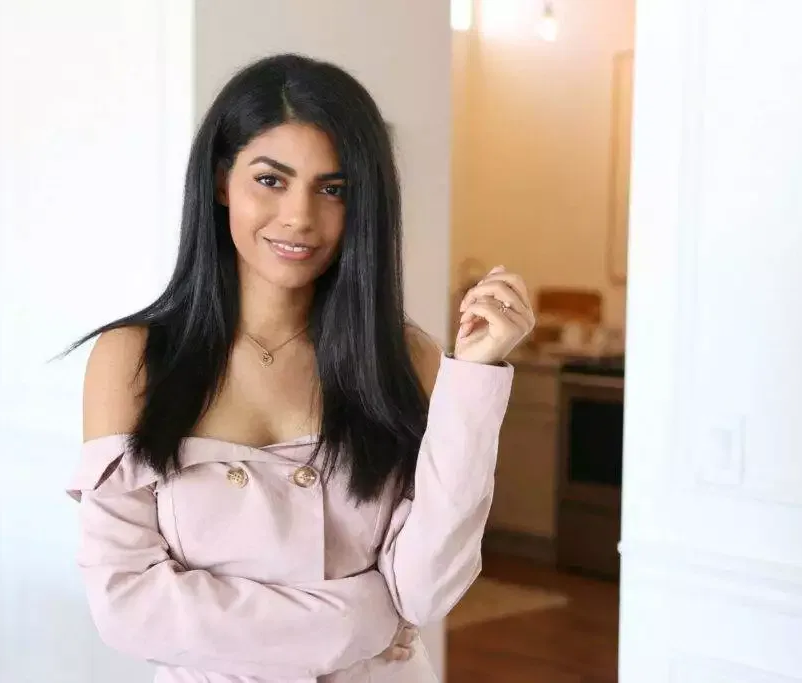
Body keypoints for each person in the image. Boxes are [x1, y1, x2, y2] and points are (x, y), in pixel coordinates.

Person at [63, 53, 534, 683]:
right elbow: (128, 608)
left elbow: (423, 593)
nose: (300, 217)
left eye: (332, 189)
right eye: (270, 180)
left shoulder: (404, 358)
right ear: (220, 181)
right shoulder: (135, 358)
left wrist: (475, 376)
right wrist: (357, 617)